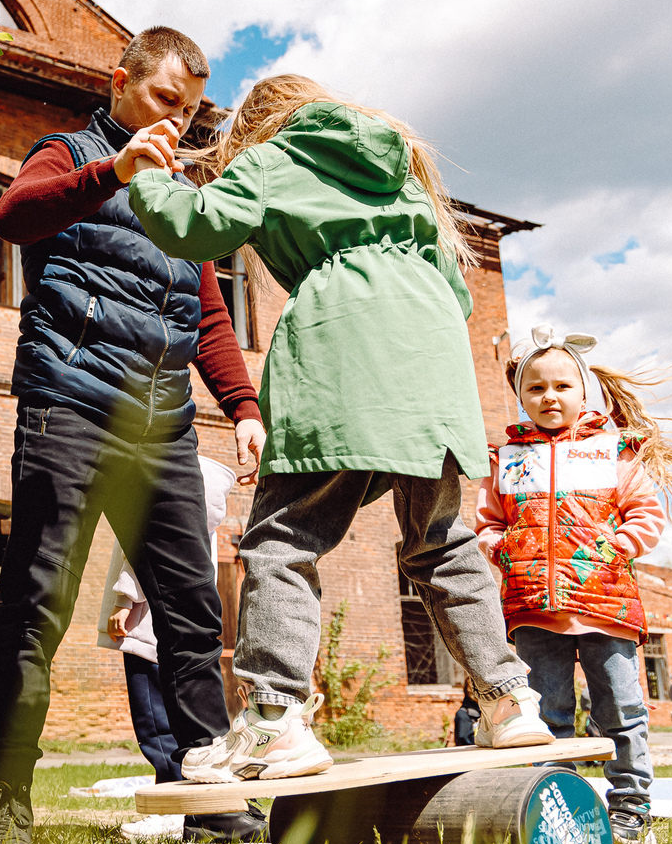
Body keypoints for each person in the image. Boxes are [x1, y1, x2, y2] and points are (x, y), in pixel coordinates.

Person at [128, 74, 553, 788]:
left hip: (341, 355)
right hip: (433, 366)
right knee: (442, 541)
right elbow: (457, 291)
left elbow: (193, 226)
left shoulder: (272, 158)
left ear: (259, 125)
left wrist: (147, 175)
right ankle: (508, 700)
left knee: (283, 540)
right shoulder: (403, 177)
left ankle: (273, 721)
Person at [0, 26, 269, 844]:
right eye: (163, 100)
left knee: (191, 611)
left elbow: (207, 313)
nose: (176, 121)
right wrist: (113, 171)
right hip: (68, 407)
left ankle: (211, 804)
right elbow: (12, 218)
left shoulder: (182, 191)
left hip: (161, 427)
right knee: (38, 605)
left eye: (190, 111)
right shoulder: (68, 154)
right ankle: (9, 801)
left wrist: (243, 406)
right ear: (120, 82)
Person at [475, 329, 672, 844]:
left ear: (584, 392)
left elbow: (645, 513)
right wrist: (501, 549)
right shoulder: (506, 459)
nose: (549, 397)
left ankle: (630, 809)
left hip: (606, 606)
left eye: (562, 386)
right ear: (521, 396)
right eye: (536, 388)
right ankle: (555, 807)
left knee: (620, 711)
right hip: (533, 610)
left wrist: (617, 547)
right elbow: (488, 522)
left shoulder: (612, 452)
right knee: (546, 716)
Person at [97, 455, 238, 787]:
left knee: (155, 723)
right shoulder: (200, 519)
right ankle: (188, 789)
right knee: (176, 718)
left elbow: (144, 553)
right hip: (176, 627)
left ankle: (173, 794)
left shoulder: (166, 503)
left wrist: (124, 601)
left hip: (145, 624)